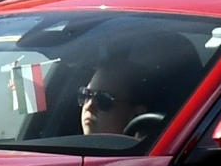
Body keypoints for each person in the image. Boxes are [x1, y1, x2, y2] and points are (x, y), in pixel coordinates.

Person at [77, 29, 212, 141]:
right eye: (86, 95)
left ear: (136, 115)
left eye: (103, 99)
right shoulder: (60, 156)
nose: (89, 106)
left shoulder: (151, 165)